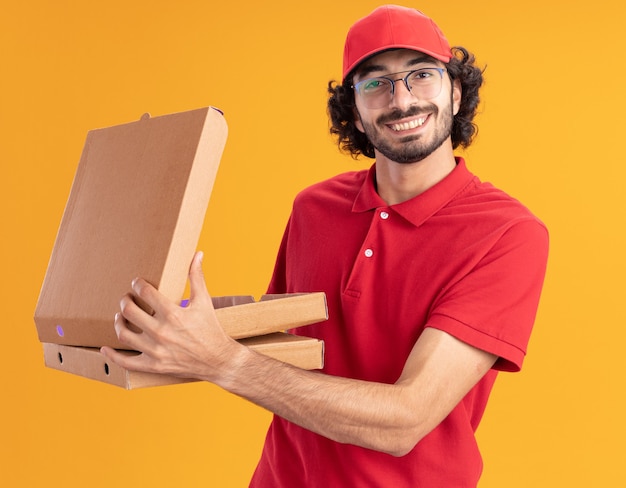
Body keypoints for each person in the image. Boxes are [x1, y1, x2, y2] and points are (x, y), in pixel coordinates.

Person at [101, 5, 549, 486]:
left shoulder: (506, 233)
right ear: (354, 112)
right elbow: (278, 344)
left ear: (456, 92)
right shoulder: (314, 208)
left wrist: (217, 359)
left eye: (422, 75)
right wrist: (169, 322)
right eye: (375, 83)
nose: (401, 100)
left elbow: (407, 419)